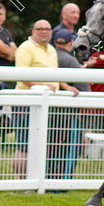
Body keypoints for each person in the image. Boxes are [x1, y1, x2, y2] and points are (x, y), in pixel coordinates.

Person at [13, 19, 60, 178]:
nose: (44, 32)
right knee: (24, 144)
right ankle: (20, 182)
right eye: (40, 29)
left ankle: (35, 180)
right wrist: (43, 85)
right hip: (26, 103)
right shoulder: (25, 48)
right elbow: (22, 76)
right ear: (33, 31)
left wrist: (66, 87)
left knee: (40, 144)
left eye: (47, 29)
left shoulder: (52, 50)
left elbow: (55, 76)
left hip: (46, 104)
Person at [52, 28, 86, 179]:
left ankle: (51, 180)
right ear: (71, 42)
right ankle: (63, 184)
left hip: (50, 113)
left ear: (55, 42)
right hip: (69, 115)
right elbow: (85, 89)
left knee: (52, 150)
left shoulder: (50, 56)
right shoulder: (71, 61)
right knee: (69, 149)